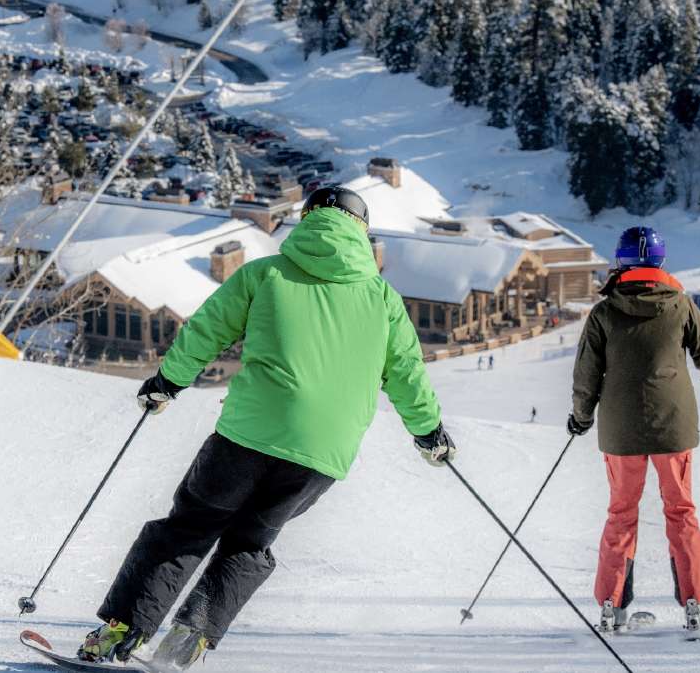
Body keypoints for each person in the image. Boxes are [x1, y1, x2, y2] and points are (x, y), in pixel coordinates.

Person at [76, 186, 454, 669]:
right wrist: (429, 431)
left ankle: (120, 635)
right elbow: (407, 372)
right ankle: (185, 644)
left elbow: (207, 329)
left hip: (247, 437)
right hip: (322, 454)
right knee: (250, 542)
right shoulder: (383, 299)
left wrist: (169, 382)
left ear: (307, 219)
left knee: (189, 527)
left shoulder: (264, 274)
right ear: (362, 230)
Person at [568, 226, 700, 637]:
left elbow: (586, 374)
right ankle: (696, 603)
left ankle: (611, 605)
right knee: (681, 511)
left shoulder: (604, 312)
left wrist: (581, 416)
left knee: (621, 513)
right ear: (660, 262)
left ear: (621, 262)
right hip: (674, 427)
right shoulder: (680, 305)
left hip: (621, 431)